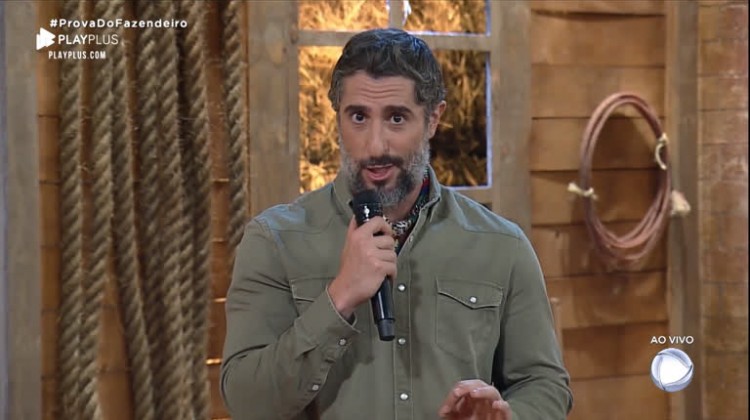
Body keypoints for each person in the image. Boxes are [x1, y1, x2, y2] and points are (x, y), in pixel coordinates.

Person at [221, 28, 572, 420]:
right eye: (358, 117)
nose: (375, 146)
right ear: (337, 117)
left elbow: (545, 386)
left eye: (396, 118)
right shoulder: (274, 242)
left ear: (433, 119)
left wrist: (507, 417)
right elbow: (247, 403)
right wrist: (339, 298)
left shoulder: (502, 245)